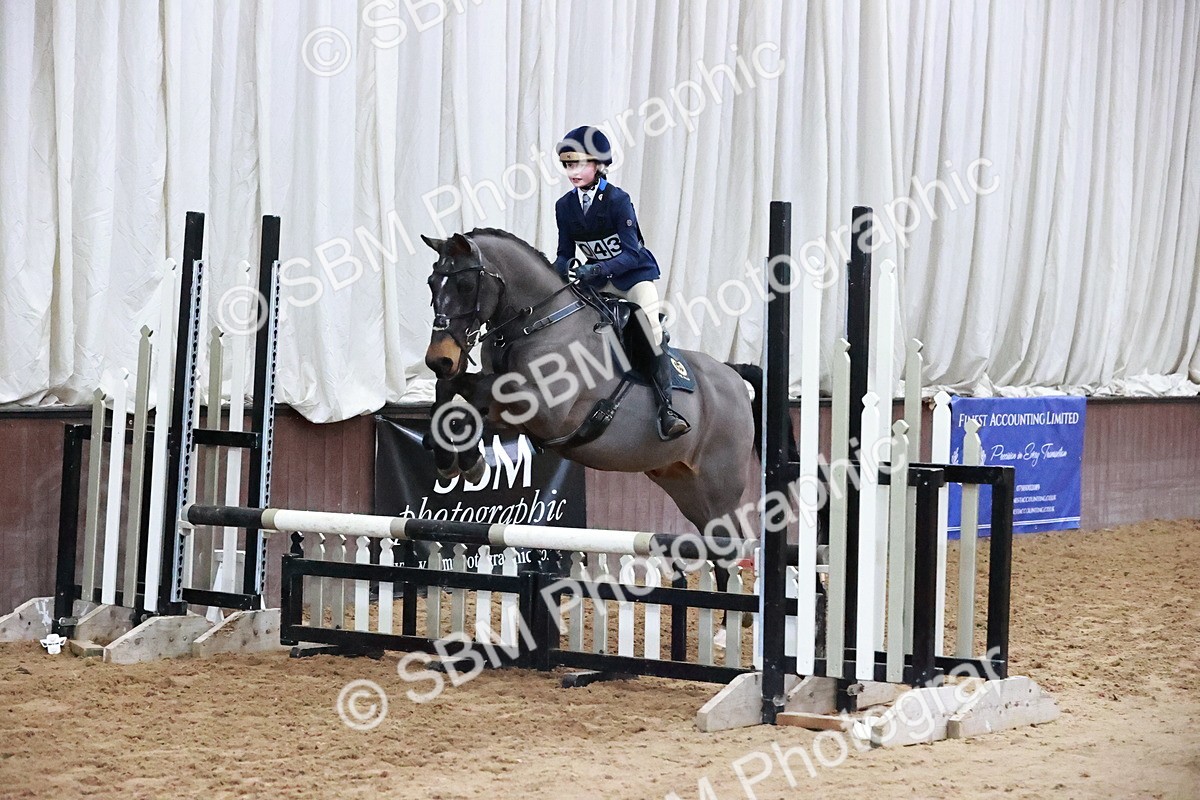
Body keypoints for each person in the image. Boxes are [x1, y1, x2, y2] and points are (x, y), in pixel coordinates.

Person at [550, 125, 690, 440]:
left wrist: (596, 269)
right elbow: (564, 253)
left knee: (650, 330)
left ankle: (666, 410)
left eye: (579, 164)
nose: (573, 172)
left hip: (632, 277)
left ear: (599, 165)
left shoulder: (617, 200)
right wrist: (554, 273)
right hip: (596, 281)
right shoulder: (564, 206)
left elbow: (631, 253)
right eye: (568, 165)